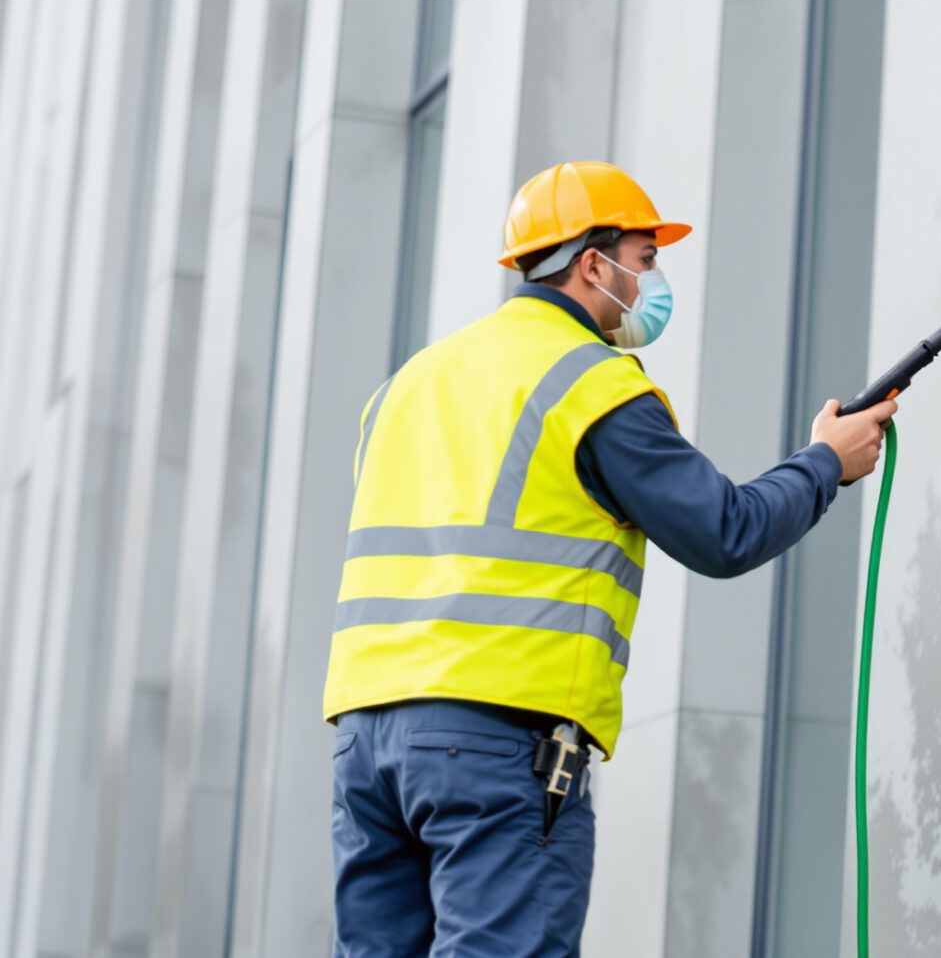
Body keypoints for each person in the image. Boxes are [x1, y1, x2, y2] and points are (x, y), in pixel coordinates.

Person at [321, 161, 897, 956]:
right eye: (646, 257)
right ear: (593, 264)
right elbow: (725, 530)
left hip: (366, 744)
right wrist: (826, 461)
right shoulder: (590, 382)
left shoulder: (407, 385)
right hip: (493, 741)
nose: (654, 278)